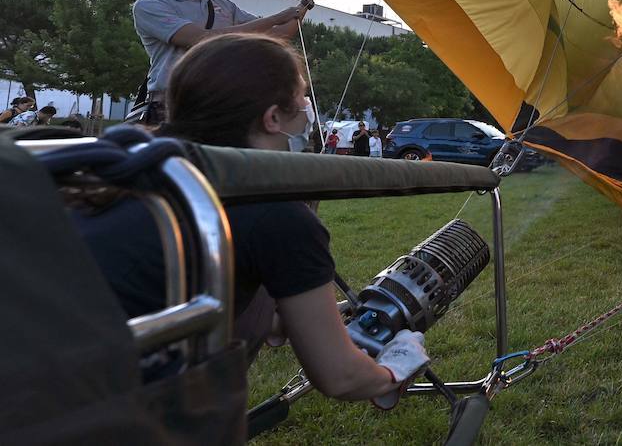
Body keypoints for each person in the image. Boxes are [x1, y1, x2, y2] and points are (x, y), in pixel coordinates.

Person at [75, 34, 428, 404]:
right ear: (273, 117)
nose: (308, 108)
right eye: (302, 96)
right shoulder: (273, 213)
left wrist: (282, 320)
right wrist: (395, 368)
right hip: (107, 411)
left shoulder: (116, 166)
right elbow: (342, 377)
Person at [130, 0, 333, 124]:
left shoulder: (224, 6)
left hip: (224, 107)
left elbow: (278, 35)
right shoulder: (150, 5)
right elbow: (201, 39)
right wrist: (277, 17)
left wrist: (307, 1)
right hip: (172, 109)